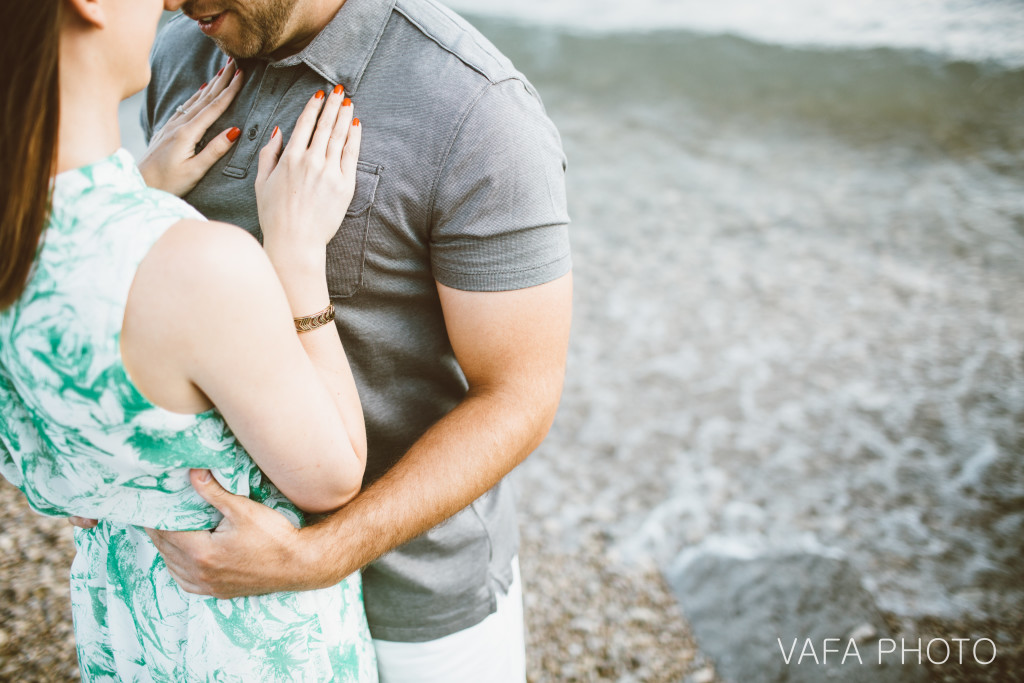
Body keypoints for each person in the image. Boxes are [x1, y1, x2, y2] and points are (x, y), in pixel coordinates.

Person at [132, 0, 573, 679]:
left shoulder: (477, 111)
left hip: (410, 600)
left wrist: (320, 555)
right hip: (209, 577)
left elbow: (519, 395)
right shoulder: (179, 53)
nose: (168, 1)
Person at [0, 0, 378, 679]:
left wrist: (139, 187)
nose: (171, 2)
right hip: (248, 639)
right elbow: (332, 475)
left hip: (122, 619)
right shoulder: (199, 268)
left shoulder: (27, 237)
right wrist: (294, 256)